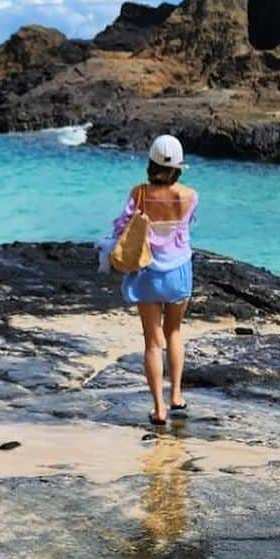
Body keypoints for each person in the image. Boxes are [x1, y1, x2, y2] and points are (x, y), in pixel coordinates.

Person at [107, 133, 198, 426]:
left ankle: (158, 408)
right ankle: (177, 396)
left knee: (151, 342)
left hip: (146, 272)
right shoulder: (190, 196)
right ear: (177, 168)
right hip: (179, 271)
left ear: (151, 163)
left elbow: (122, 225)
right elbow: (184, 228)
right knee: (173, 333)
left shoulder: (139, 194)